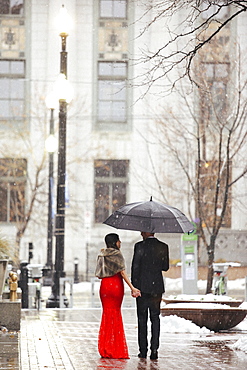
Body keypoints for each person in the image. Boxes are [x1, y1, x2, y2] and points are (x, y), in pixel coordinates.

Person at [95, 233, 140, 359]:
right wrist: (132, 287)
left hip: (105, 286)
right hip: (115, 285)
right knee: (115, 314)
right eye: (119, 241)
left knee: (106, 314)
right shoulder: (117, 254)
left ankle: (105, 347)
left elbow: (98, 274)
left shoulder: (101, 254)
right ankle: (115, 348)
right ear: (115, 242)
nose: (120, 242)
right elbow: (123, 273)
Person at [131, 231, 169, 360]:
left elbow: (135, 268)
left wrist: (134, 286)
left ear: (147, 232)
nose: (141, 233)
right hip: (156, 288)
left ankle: (143, 350)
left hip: (142, 288)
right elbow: (165, 267)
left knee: (142, 319)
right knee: (155, 318)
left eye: (143, 230)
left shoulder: (139, 246)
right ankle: (154, 349)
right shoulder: (163, 246)